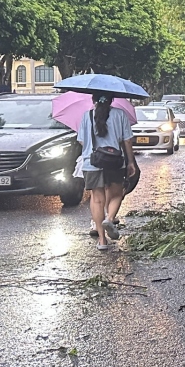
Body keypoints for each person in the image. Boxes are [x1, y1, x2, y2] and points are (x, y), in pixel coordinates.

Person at [78, 94, 137, 250]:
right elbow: (127, 140)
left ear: (94, 101)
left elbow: (81, 141)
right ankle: (109, 219)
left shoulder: (87, 116)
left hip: (92, 163)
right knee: (117, 194)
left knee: (97, 199)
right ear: (112, 100)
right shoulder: (120, 114)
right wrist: (131, 162)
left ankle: (102, 241)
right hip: (115, 162)